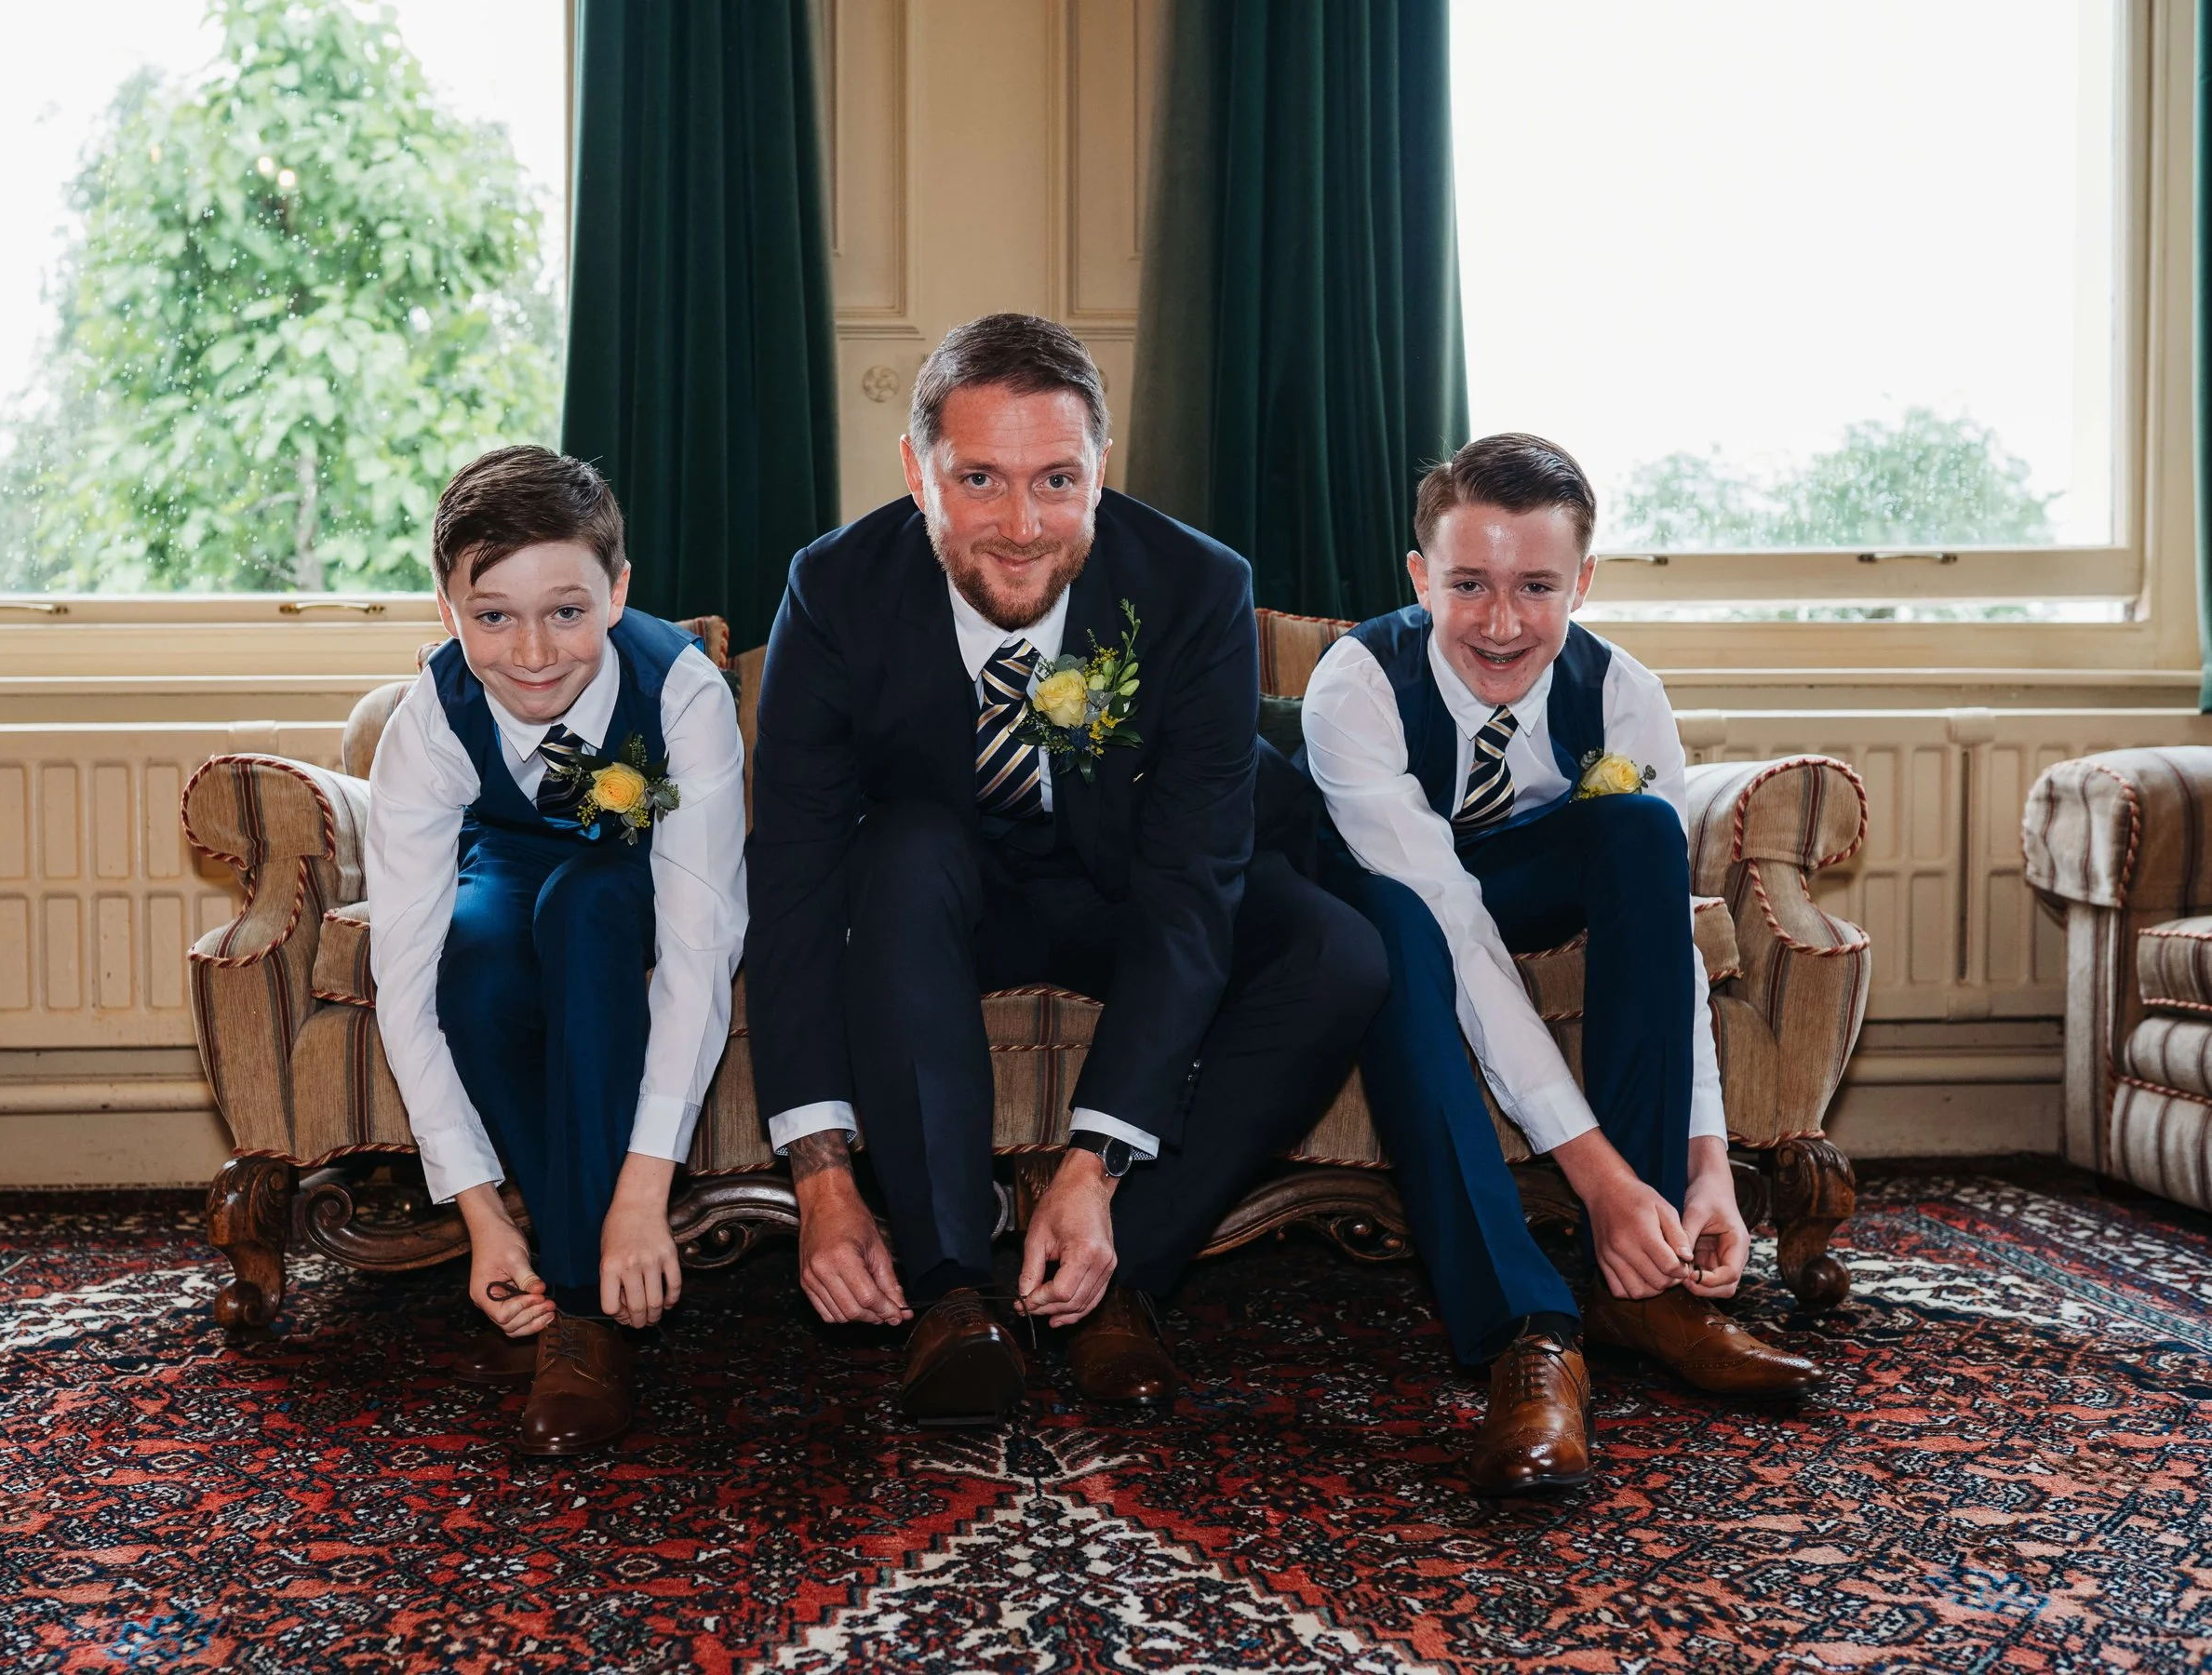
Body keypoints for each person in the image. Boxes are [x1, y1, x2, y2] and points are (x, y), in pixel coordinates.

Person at [745, 313, 1387, 1425]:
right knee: (898, 848)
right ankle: (951, 1292)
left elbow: (1193, 889)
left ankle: (1116, 1273)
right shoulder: (834, 588)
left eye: (1056, 480)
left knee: (1337, 951)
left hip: (1130, 888)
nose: (1021, 525)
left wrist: (1092, 1164)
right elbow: (794, 874)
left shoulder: (1194, 586)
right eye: (979, 479)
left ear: (1103, 471)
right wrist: (819, 1172)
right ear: (915, 472)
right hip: (940, 898)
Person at [1301, 433, 1821, 1496]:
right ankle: (1528, 1335)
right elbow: (1454, 927)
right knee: (1400, 932)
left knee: (1635, 830)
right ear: (1418, 576)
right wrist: (1596, 1178)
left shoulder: (1624, 692)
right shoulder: (1354, 685)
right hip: (1388, 898)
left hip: (1520, 869)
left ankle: (1647, 1282)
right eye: (1468, 586)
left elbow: (1669, 938)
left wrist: (1701, 1163)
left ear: (1583, 579)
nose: (1500, 624)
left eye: (1536, 587)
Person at [367, 445, 747, 1456]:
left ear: (618, 593)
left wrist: (643, 1194)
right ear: (448, 612)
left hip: (630, 875)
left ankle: (578, 1312)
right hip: (506, 860)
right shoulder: (429, 716)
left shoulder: (684, 691)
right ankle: (553, 1269)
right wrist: (482, 1212)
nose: (533, 651)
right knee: (474, 964)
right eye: (493, 616)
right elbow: (398, 977)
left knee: (582, 914)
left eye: (566, 610)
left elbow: (703, 944)